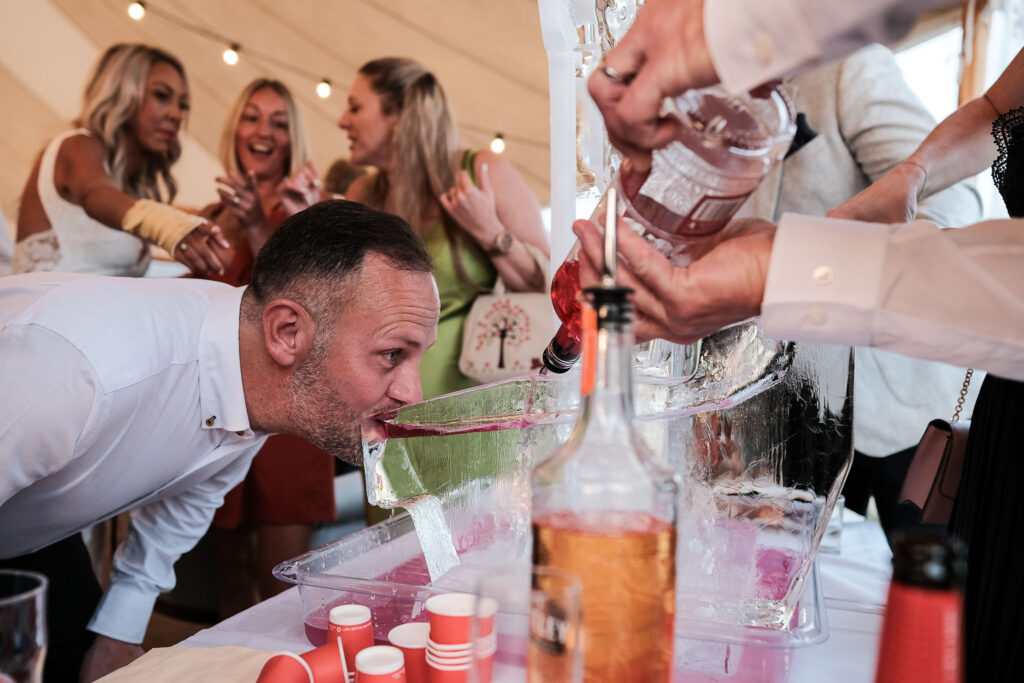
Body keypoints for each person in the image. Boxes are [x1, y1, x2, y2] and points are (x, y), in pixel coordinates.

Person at [0, 200, 439, 682]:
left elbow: (188, 499)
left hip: (30, 535)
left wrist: (116, 638)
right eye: (392, 353)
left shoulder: (252, 379)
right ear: (287, 332)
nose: (411, 393)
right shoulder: (77, 371)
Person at [737, 43, 983, 540]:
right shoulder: (709, 116)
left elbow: (951, 204)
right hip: (796, 425)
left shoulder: (848, 69)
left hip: (905, 404)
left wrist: (838, 274)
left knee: (925, 586)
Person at [195, 78, 335, 617]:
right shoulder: (210, 213)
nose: (264, 132)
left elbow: (294, 300)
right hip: (222, 412)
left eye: (279, 123)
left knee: (281, 594)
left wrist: (258, 222)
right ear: (236, 127)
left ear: (292, 138)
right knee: (228, 585)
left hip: (288, 419)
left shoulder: (305, 211)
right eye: (253, 117)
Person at [339, 56, 549, 399]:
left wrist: (489, 231)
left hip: (477, 408)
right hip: (380, 409)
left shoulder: (483, 171)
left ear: (398, 116)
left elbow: (544, 285)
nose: (342, 121)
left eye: (355, 108)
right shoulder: (360, 196)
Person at [13, 43, 227, 277]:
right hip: (42, 312)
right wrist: (168, 225)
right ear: (122, 92)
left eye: (182, 105)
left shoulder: (134, 190)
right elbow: (94, 192)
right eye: (161, 96)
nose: (176, 114)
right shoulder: (75, 145)